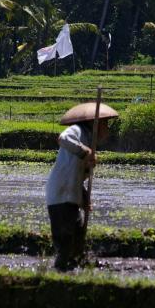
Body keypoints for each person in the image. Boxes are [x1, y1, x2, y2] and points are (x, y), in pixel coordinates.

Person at [45, 102, 118, 271]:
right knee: (65, 241)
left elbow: (78, 179)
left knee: (77, 238)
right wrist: (85, 152)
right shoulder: (77, 131)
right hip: (60, 194)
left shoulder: (90, 146)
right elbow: (63, 138)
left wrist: (85, 199)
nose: (107, 130)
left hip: (70, 195)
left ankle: (75, 269)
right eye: (105, 124)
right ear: (96, 124)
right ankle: (61, 274)